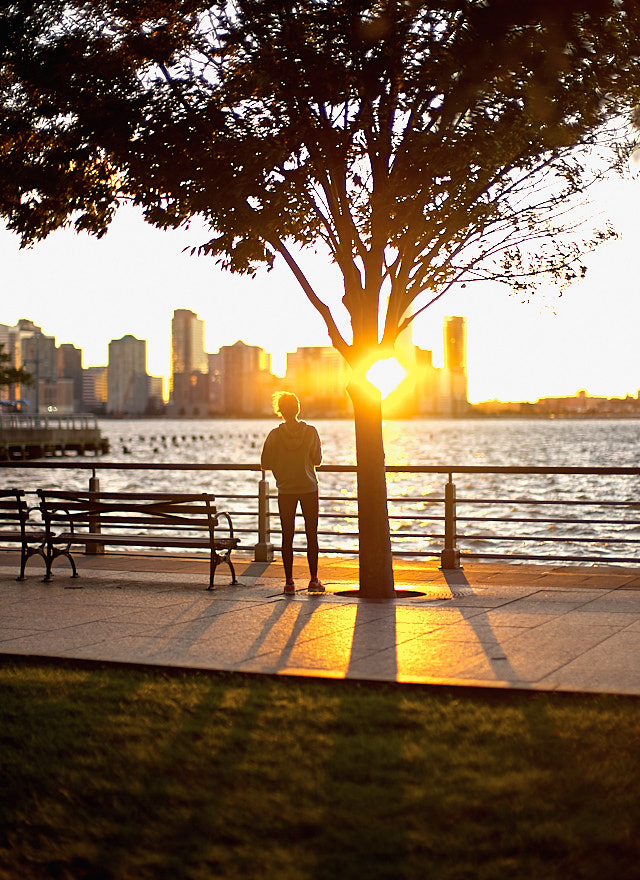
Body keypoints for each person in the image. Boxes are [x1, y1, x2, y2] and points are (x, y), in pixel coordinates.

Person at [261, 392, 324, 594]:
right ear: (298, 409)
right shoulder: (311, 432)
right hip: (308, 488)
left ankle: (289, 582)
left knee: (287, 536)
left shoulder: (274, 435)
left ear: (279, 411)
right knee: (311, 534)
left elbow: (265, 463)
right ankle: (313, 579)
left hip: (286, 489)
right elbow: (318, 460)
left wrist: (282, 464)